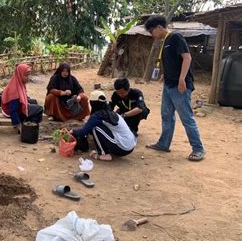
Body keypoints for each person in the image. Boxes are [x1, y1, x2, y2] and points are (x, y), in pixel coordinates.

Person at [144, 15, 205, 161]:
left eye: (152, 31)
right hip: (169, 85)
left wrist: (182, 79)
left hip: (179, 86)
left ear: (159, 27)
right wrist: (165, 74)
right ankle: (164, 144)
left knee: (186, 118)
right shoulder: (165, 41)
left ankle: (198, 149)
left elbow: (187, 58)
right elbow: (173, 61)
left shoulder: (176, 37)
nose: (152, 35)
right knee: (166, 115)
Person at [70, 90, 136, 161]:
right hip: (130, 146)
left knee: (96, 128)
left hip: (123, 148)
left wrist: (72, 131)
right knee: (98, 127)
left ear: (93, 103)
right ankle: (109, 150)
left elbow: (84, 132)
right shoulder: (109, 112)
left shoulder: (98, 115)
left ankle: (103, 154)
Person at [1, 64, 43, 132]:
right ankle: (29, 126)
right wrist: (18, 126)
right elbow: (13, 109)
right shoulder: (14, 91)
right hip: (11, 111)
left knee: (34, 101)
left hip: (14, 107)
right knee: (40, 109)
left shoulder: (17, 82)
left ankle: (27, 122)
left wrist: (26, 102)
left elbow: (22, 97)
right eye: (26, 75)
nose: (28, 77)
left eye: (29, 75)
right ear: (20, 74)